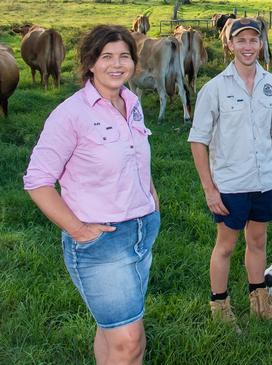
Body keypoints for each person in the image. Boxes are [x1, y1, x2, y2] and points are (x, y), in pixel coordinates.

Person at [23, 25, 160, 365]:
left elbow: (137, 156)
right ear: (89, 63)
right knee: (130, 343)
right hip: (101, 242)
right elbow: (37, 181)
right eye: (106, 57)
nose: (117, 65)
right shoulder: (72, 114)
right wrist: (79, 230)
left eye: (124, 56)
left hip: (142, 232)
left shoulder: (131, 102)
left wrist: (152, 198)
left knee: (113, 332)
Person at [188, 18, 272, 331]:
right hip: (230, 182)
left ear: (261, 44)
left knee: (258, 241)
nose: (247, 47)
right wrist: (209, 188)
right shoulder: (214, 88)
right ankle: (220, 308)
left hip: (262, 181)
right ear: (229, 45)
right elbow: (198, 140)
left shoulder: (271, 83)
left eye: (253, 40)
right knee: (226, 246)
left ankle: (260, 305)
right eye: (240, 40)